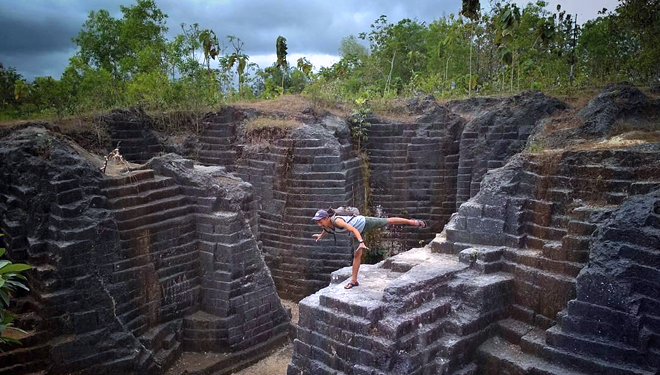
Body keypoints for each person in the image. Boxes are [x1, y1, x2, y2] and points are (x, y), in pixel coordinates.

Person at [312, 208, 428, 289]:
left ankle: (412, 222)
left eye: (320, 221)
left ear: (327, 218)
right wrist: (320, 235)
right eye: (318, 222)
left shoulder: (337, 221)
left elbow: (353, 229)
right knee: (357, 255)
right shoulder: (327, 225)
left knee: (388, 221)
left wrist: (361, 242)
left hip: (364, 223)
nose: (319, 224)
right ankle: (354, 281)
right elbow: (326, 229)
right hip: (357, 234)